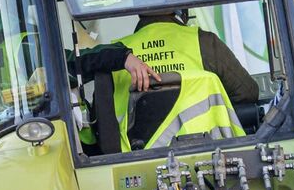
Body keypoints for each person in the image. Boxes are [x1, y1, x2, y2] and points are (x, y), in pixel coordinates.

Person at [99, 10, 260, 153]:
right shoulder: (204, 42)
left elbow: (100, 123)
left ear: (138, 11)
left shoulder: (114, 54)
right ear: (181, 10)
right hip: (210, 154)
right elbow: (248, 92)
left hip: (135, 161)